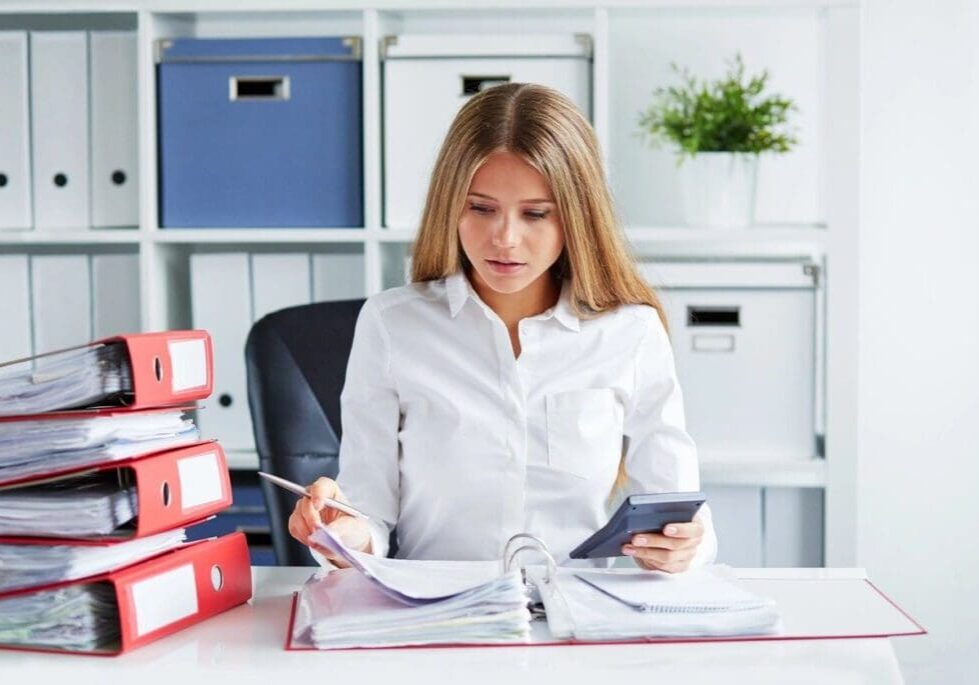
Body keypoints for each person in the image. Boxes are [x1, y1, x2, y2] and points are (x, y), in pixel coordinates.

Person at [289, 82, 717, 573]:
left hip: (574, 618)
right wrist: (342, 535)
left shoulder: (630, 333)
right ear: (451, 205)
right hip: (437, 617)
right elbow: (369, 516)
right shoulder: (392, 326)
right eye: (481, 208)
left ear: (577, 217)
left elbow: (678, 508)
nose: (506, 239)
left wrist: (684, 546)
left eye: (535, 213)